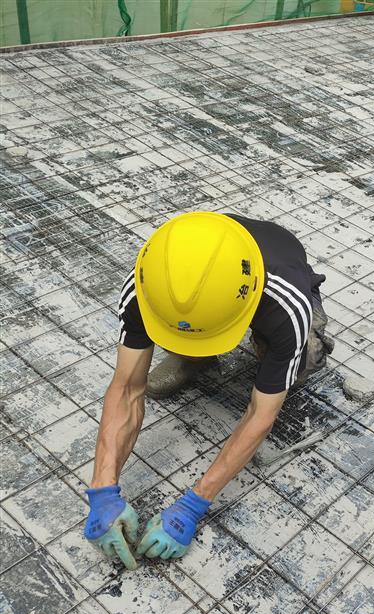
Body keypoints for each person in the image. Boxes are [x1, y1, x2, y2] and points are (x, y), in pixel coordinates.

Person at [83, 212, 331, 568]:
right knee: (180, 325)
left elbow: (261, 415)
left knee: (302, 359)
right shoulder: (147, 284)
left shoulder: (286, 303)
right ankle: (197, 352)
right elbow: (125, 389)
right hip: (211, 281)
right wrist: (102, 490)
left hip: (275, 280)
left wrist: (193, 505)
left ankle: (273, 353)